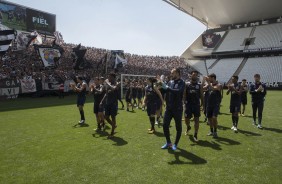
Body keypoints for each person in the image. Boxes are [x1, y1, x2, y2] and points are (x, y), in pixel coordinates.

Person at [161, 68, 185, 151]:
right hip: (169, 108)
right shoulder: (170, 82)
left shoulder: (182, 82)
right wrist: (160, 85)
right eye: (171, 73)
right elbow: (165, 91)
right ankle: (168, 142)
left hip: (177, 108)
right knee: (165, 125)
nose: (171, 74)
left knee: (178, 127)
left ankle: (175, 144)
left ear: (178, 73)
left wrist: (167, 88)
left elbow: (178, 91)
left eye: (173, 73)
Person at [184, 71, 203, 141]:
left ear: (197, 76)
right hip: (188, 104)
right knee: (186, 119)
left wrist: (203, 104)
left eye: (196, 75)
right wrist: (184, 102)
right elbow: (184, 94)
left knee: (196, 119)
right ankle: (188, 126)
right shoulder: (187, 84)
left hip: (196, 105)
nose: (194, 76)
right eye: (193, 75)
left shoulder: (199, 85)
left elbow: (201, 95)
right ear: (191, 76)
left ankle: (195, 134)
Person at [203, 73, 222, 138]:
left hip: (216, 104)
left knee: (214, 117)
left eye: (209, 78)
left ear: (213, 78)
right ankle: (211, 131)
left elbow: (214, 89)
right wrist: (203, 81)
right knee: (209, 119)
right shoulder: (209, 84)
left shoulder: (219, 85)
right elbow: (202, 88)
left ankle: (215, 131)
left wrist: (208, 82)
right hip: (209, 104)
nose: (208, 79)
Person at [101, 73, 118, 137]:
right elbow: (106, 93)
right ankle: (114, 125)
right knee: (106, 117)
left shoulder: (117, 83)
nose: (108, 78)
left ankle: (112, 132)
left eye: (110, 77)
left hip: (113, 103)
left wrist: (107, 83)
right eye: (108, 77)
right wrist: (102, 101)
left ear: (113, 77)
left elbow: (113, 88)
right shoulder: (108, 84)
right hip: (108, 103)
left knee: (113, 117)